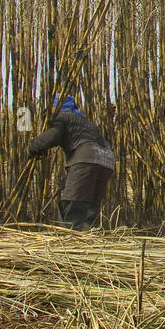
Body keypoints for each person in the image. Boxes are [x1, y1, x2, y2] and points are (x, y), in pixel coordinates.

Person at [26, 95, 117, 231]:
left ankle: (73, 236)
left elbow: (53, 136)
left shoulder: (62, 116)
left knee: (74, 200)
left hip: (87, 157)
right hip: (107, 160)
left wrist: (32, 147)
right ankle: (88, 233)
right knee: (90, 203)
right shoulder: (82, 120)